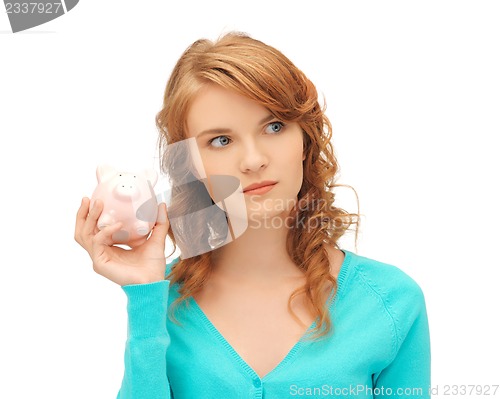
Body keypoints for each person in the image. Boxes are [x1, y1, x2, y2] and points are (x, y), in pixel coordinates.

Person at [75, 32, 431, 399]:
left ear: (305, 140)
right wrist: (145, 294)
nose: (254, 160)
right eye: (221, 140)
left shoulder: (391, 301)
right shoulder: (161, 300)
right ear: (189, 166)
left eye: (274, 127)